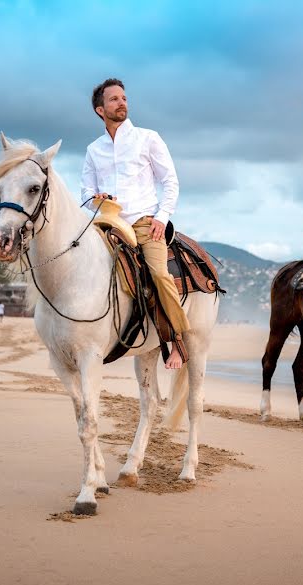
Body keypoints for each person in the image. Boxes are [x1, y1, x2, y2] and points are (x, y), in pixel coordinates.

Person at [81, 78, 190, 369]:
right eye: (114, 99)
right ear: (100, 110)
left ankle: (177, 340)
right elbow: (85, 193)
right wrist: (96, 197)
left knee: (158, 273)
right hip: (107, 223)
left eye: (124, 98)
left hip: (144, 222)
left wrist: (161, 217)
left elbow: (170, 181)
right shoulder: (94, 150)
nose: (122, 103)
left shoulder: (148, 138)